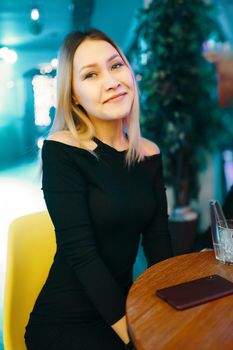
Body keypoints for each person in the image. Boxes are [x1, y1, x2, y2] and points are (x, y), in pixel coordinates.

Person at [24, 28, 173, 350]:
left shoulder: (149, 153)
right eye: (91, 74)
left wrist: (171, 311)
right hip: (66, 322)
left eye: (116, 66)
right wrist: (134, 339)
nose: (111, 81)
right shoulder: (62, 150)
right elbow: (82, 255)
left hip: (125, 305)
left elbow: (159, 243)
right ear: (74, 95)